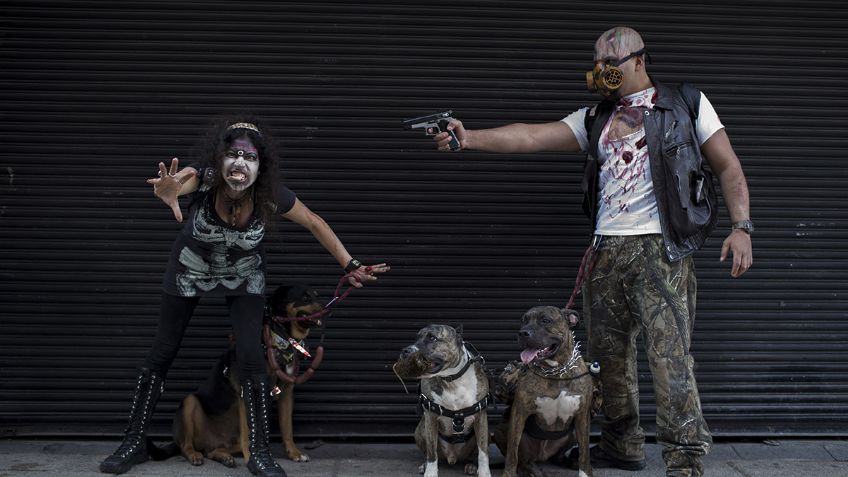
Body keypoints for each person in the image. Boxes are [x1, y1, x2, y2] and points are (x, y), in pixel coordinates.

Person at [430, 26, 752, 477]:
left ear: (640, 61)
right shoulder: (596, 118)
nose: (601, 72)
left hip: (662, 250)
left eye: (611, 63)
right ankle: (623, 445)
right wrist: (470, 138)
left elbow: (727, 164)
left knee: (670, 356)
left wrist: (742, 227)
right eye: (597, 63)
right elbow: (530, 136)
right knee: (608, 357)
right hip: (605, 251)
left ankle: (684, 459)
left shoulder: (685, 104)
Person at [99, 115, 389, 477]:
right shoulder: (203, 179)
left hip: (244, 275)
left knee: (252, 357)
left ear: (260, 166)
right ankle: (133, 441)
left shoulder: (270, 196)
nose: (239, 162)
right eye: (232, 154)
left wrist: (350, 264)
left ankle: (259, 452)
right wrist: (169, 190)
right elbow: (180, 181)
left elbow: (314, 220)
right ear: (218, 161)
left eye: (249, 157)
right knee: (163, 351)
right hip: (190, 270)